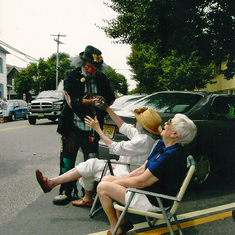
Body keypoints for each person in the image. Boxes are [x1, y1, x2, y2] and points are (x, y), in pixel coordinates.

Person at [36, 107, 162, 212]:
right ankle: (61, 187)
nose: (136, 122)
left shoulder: (143, 141)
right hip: (123, 167)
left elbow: (115, 148)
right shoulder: (145, 136)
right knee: (88, 165)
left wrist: (98, 130)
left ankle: (65, 189)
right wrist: (107, 108)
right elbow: (124, 126)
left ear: (142, 125)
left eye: (138, 121)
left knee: (88, 166)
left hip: (125, 173)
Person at [97, 114, 197, 235]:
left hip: (155, 200)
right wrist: (117, 181)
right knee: (107, 179)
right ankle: (123, 221)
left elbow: (141, 182)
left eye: (170, 122)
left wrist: (115, 183)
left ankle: (116, 228)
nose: (165, 123)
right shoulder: (163, 145)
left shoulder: (171, 156)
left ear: (175, 134)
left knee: (102, 187)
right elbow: (142, 169)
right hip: (150, 193)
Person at [54, 45, 115, 205]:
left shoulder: (101, 78)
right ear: (82, 63)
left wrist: (103, 102)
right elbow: (71, 100)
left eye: (94, 67)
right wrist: (91, 101)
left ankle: (90, 194)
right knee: (67, 159)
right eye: (88, 66)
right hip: (72, 125)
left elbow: (110, 97)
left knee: (92, 160)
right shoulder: (71, 75)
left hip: (93, 127)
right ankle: (66, 191)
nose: (91, 70)